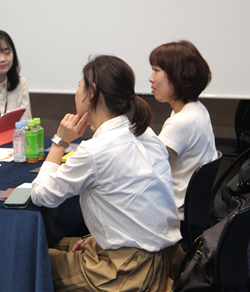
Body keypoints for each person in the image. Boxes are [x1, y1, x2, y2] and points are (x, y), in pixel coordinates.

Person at [31, 55, 183, 292]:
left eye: (78, 86)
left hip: (125, 273)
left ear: (91, 92)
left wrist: (60, 142)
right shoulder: (146, 133)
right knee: (53, 243)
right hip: (166, 261)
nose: (76, 91)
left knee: (25, 257)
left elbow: (41, 194)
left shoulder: (95, 150)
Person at [149, 40, 218, 221]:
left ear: (177, 76)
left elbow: (147, 168)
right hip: (190, 209)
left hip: (173, 214)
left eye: (156, 70)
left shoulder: (182, 121)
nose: (151, 78)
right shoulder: (197, 109)